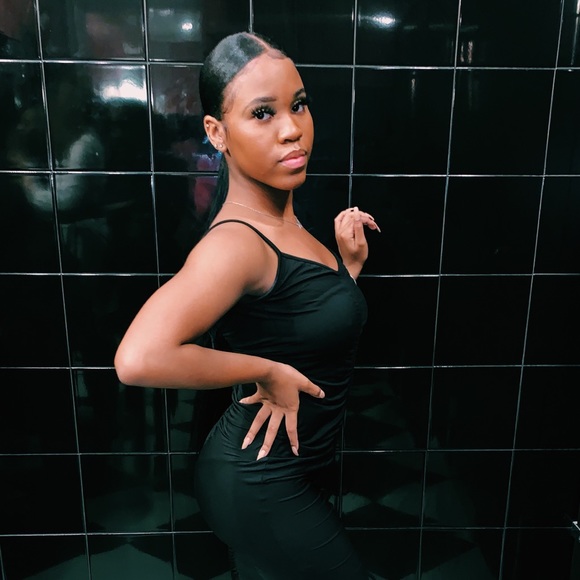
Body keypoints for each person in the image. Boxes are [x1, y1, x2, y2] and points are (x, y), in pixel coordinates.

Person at [114, 31, 381, 580]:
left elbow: (296, 329)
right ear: (217, 132)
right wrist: (266, 371)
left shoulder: (284, 220)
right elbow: (138, 359)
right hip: (260, 481)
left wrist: (347, 270)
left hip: (287, 472)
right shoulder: (236, 244)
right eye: (263, 113)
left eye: (298, 105)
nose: (292, 129)